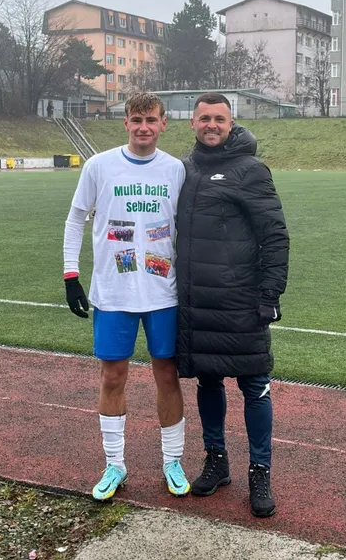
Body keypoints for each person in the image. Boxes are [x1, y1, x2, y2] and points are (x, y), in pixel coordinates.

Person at [63, 92, 190, 501]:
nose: (143, 127)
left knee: (166, 376)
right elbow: (76, 218)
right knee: (112, 376)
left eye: (151, 120)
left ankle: (172, 460)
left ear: (164, 123)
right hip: (114, 294)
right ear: (126, 123)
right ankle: (115, 464)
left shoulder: (176, 170)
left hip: (163, 293)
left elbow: (187, 229)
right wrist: (70, 274)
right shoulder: (99, 166)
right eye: (137, 120)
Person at [175, 92, 289, 518]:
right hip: (197, 302)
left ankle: (260, 472)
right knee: (208, 382)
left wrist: (270, 294)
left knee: (254, 387)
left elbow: (275, 236)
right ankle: (217, 460)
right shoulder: (184, 170)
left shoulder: (251, 170)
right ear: (192, 123)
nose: (212, 125)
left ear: (230, 123)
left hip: (240, 300)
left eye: (219, 119)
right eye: (204, 118)